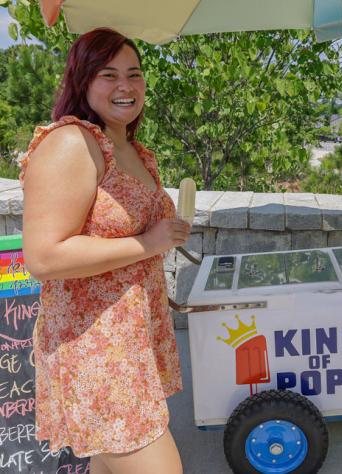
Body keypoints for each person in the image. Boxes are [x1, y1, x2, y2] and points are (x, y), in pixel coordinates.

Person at [21, 28, 190, 474]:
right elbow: (43, 257)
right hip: (96, 348)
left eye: (134, 74)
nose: (125, 86)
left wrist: (163, 235)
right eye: (108, 74)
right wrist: (148, 242)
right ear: (82, 80)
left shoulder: (130, 148)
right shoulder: (72, 143)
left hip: (131, 339)